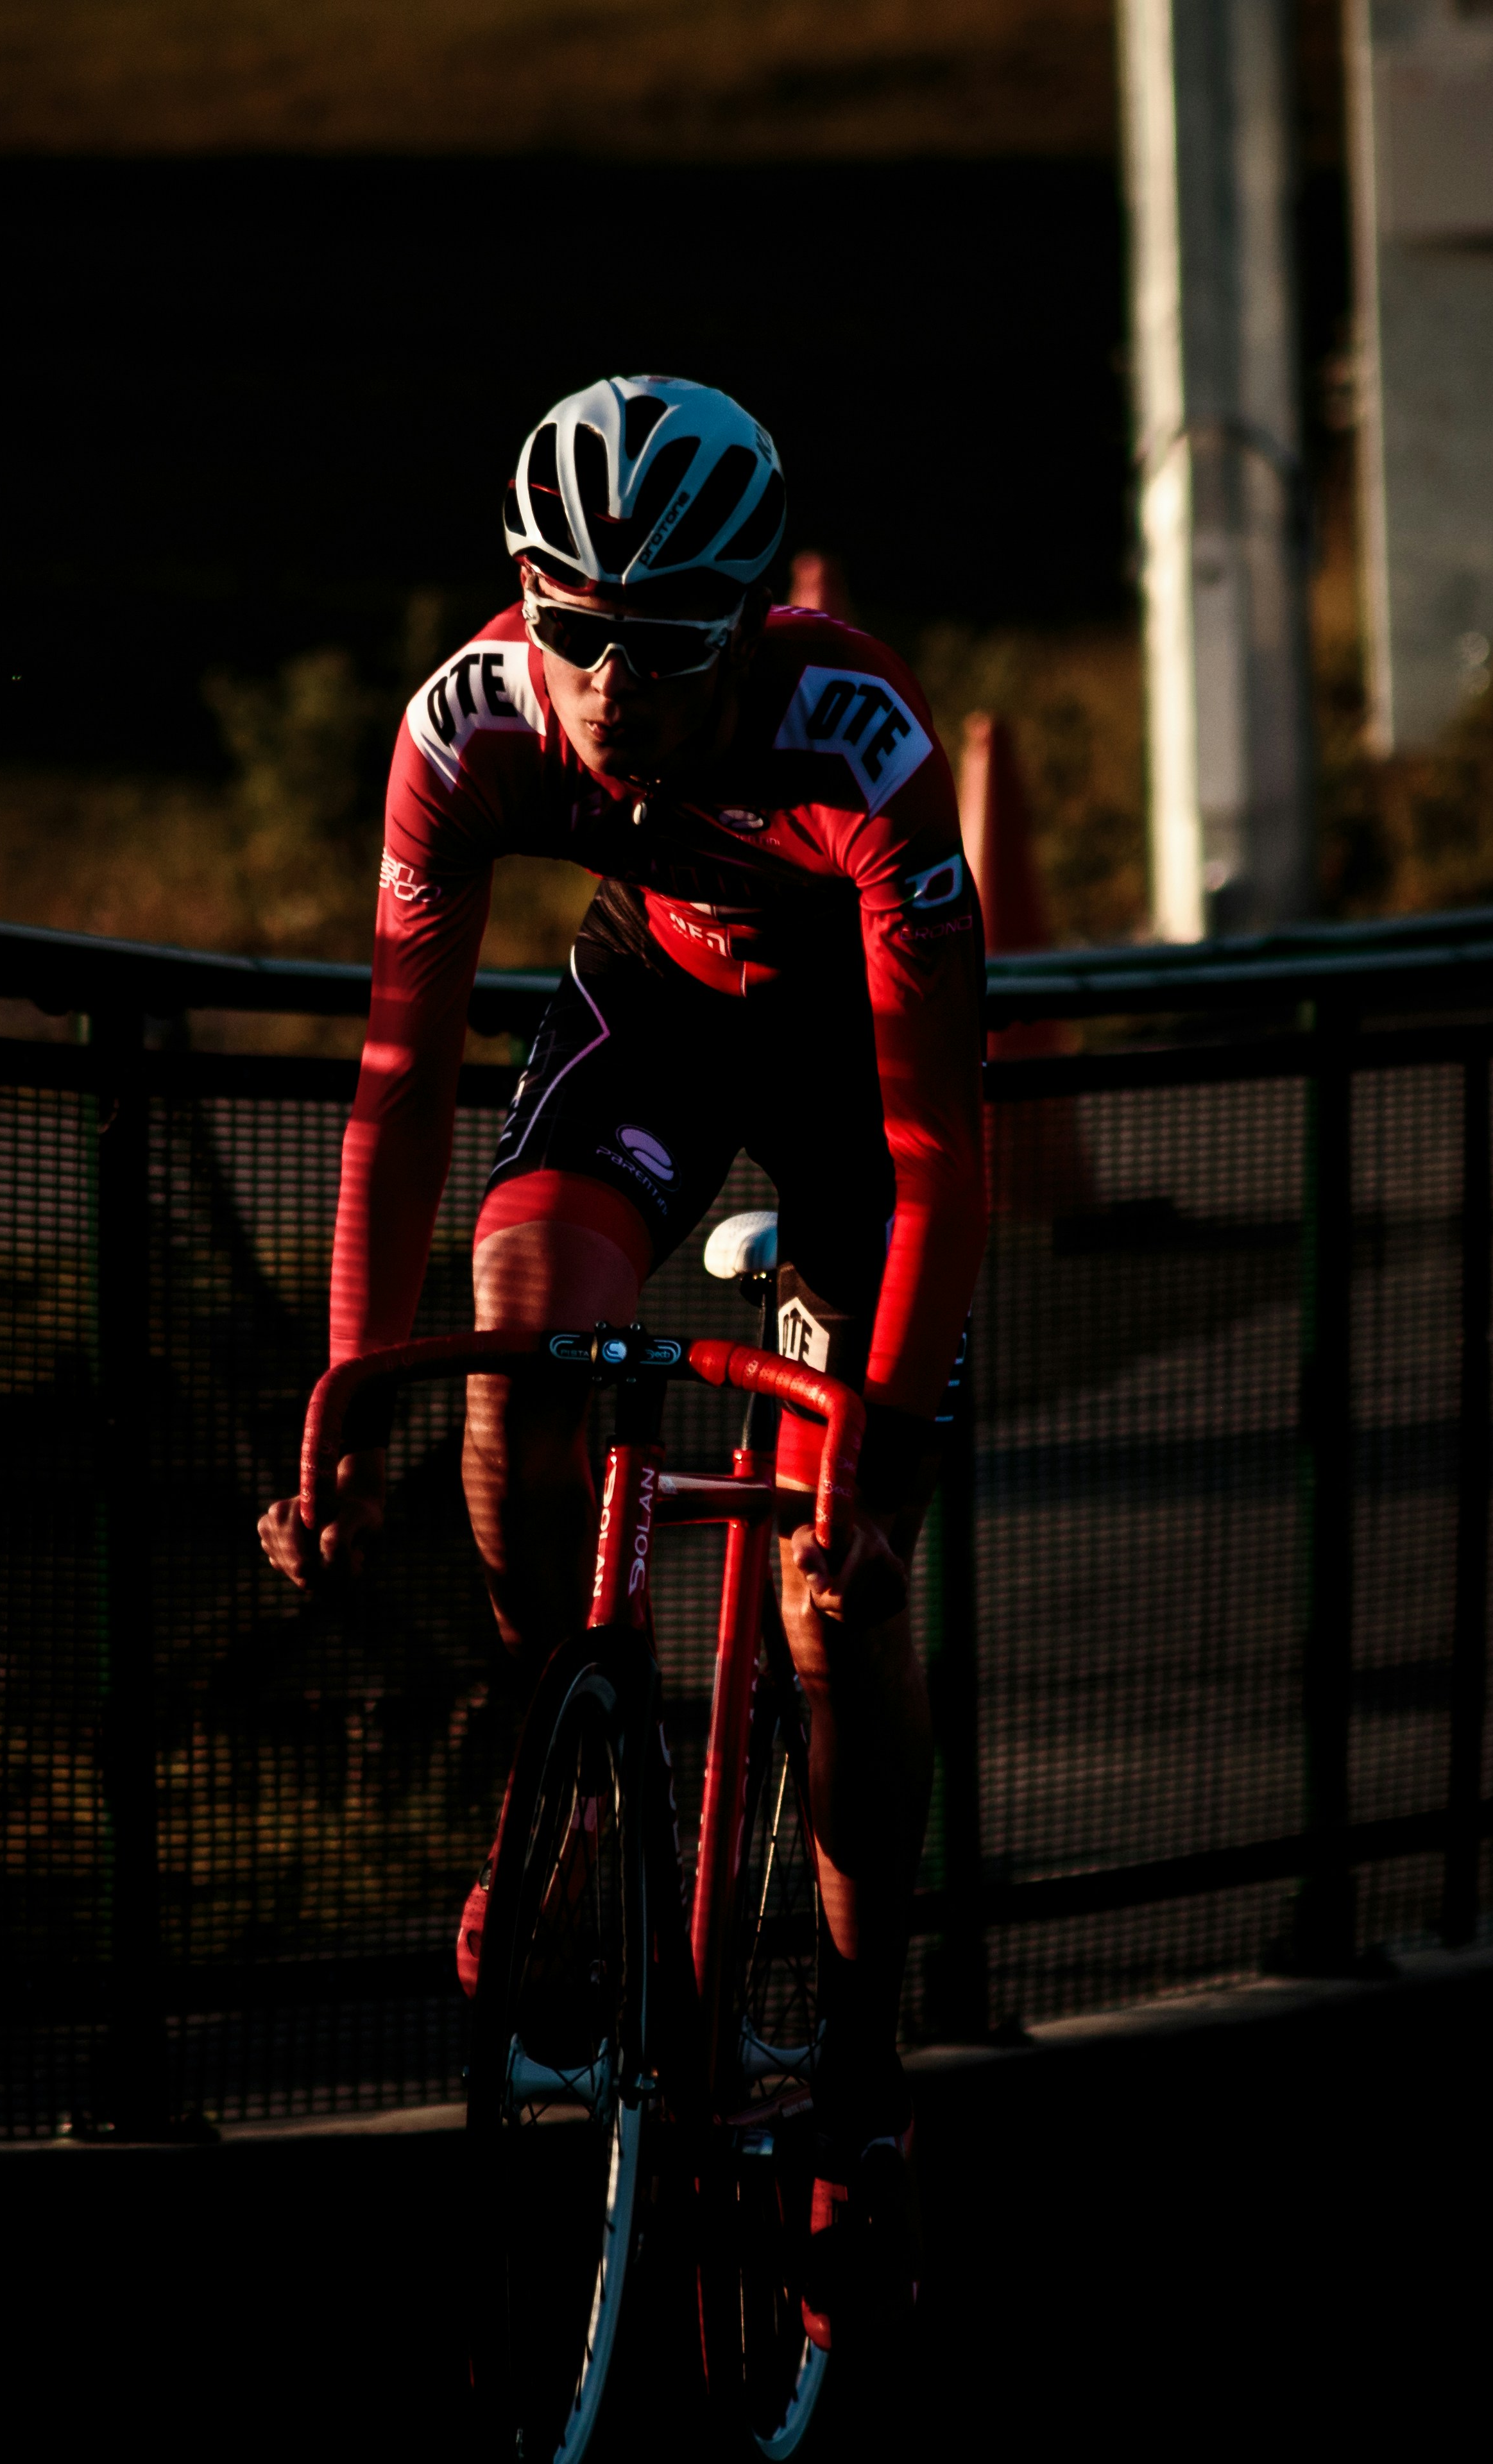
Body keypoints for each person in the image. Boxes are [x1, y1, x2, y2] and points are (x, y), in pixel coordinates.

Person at [255, 373, 984, 2331]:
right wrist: (350, 1389)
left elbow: (932, 1154)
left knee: (849, 1596)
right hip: (652, 1020)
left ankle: (860, 2076)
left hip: (855, 1090)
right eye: (571, 629)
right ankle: (577, 1771)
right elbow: (398, 1088)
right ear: (522, 600)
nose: (609, 681)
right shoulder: (469, 722)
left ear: (746, 624)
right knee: (513, 1334)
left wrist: (876, 1451)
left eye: (661, 643)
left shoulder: (862, 740)